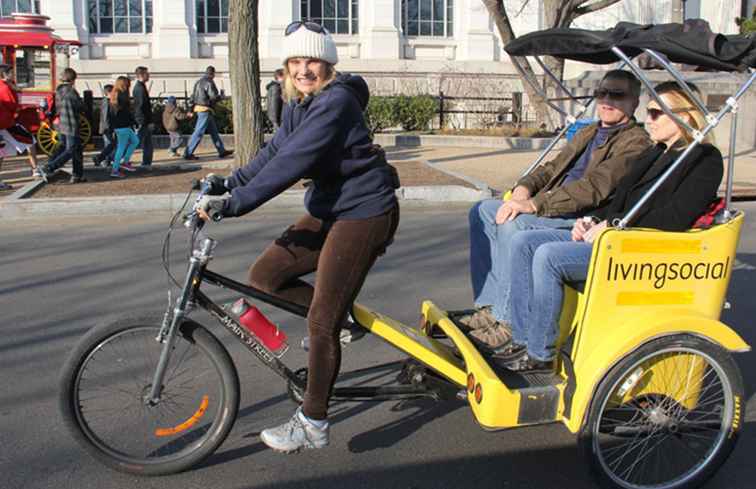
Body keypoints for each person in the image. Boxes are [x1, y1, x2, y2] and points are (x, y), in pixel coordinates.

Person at [197, 21, 400, 452]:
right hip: (330, 209)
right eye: (295, 61)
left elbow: (293, 163)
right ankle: (340, 317)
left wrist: (234, 205)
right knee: (266, 276)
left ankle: (313, 422)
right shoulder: (300, 103)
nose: (303, 69)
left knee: (320, 323)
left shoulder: (336, 103)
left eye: (312, 61)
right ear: (287, 67)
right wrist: (227, 184)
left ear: (327, 64)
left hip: (365, 213)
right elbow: (274, 152)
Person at [502, 81, 723, 373]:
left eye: (657, 113)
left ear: (684, 115)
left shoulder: (705, 159)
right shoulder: (656, 152)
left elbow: (675, 218)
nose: (648, 119)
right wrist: (592, 220)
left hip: (642, 251)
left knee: (548, 257)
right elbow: (621, 199)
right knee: (524, 243)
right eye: (649, 112)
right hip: (616, 238)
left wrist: (614, 224)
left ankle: (539, 355)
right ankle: (521, 338)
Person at [463, 70, 652, 352]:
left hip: (579, 217)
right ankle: (491, 305)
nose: (607, 100)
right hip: (551, 206)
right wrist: (524, 188)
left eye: (617, 95)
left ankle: (508, 321)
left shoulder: (635, 142)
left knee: (514, 225)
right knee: (484, 211)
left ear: (634, 102)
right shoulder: (590, 131)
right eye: (602, 93)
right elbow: (553, 168)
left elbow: (594, 187)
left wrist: (536, 204)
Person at [39, 68, 85, 184]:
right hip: (70, 123)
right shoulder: (71, 91)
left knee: (71, 148)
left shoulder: (58, 91)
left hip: (60, 124)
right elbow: (80, 107)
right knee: (72, 149)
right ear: (73, 79)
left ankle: (77, 175)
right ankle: (50, 167)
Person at [0, 64, 41, 180]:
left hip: (4, 123)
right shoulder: (5, 88)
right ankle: (35, 169)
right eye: (11, 73)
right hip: (7, 123)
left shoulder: (5, 86)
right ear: (5, 74)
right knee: (30, 141)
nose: (14, 75)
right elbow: (13, 105)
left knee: (1, 153)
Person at [183, 66, 233, 161]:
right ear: (213, 73)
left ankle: (221, 151)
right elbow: (213, 97)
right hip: (205, 109)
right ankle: (188, 153)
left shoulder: (198, 82)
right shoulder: (209, 82)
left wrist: (190, 109)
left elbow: (192, 97)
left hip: (200, 108)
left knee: (214, 132)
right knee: (198, 132)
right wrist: (221, 97)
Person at [108, 76, 140, 178]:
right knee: (122, 147)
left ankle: (124, 162)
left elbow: (116, 112)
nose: (129, 86)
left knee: (135, 141)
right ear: (124, 84)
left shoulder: (116, 94)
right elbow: (125, 112)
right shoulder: (121, 95)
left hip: (122, 125)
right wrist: (133, 121)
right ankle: (115, 169)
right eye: (128, 84)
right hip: (123, 125)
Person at [132, 66, 153, 168]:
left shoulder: (141, 87)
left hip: (143, 119)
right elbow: (141, 106)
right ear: (141, 75)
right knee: (136, 141)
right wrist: (145, 121)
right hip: (142, 120)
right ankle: (115, 158)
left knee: (147, 142)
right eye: (146, 73)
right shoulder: (139, 88)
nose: (148, 75)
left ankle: (147, 162)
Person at [92, 84, 116, 167]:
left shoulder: (106, 101)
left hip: (107, 127)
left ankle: (105, 160)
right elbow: (105, 116)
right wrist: (108, 127)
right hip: (107, 128)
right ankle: (102, 159)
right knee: (110, 144)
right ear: (109, 92)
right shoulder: (106, 102)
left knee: (110, 144)